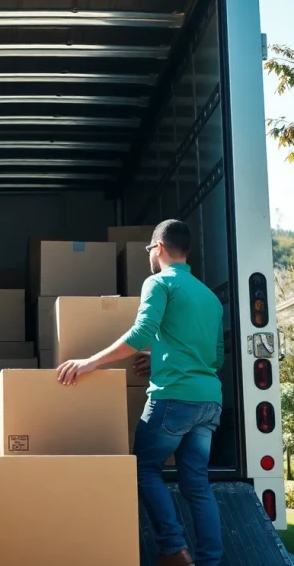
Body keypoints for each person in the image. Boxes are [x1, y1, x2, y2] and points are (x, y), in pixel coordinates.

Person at [56, 219, 224, 566]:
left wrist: (90, 362)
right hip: (208, 402)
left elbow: (141, 331)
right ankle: (210, 561)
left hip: (172, 399)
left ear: (158, 247)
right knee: (197, 484)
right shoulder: (209, 296)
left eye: (150, 249)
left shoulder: (159, 283)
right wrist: (160, 356)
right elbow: (215, 355)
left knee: (144, 469)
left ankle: (173, 549)